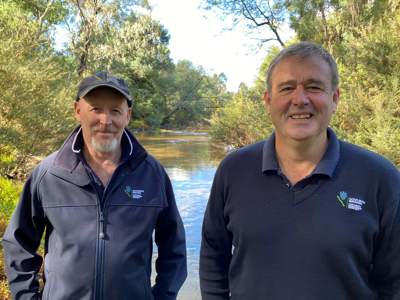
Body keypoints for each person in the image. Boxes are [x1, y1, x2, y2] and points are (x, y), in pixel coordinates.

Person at [199, 42, 400, 300]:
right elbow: (213, 255)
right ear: (268, 101)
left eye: (314, 87)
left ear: (335, 98)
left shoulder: (380, 177)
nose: (300, 99)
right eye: (287, 88)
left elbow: (394, 282)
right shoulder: (233, 169)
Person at [3, 71, 187, 300]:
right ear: (78, 111)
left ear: (128, 115)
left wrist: (162, 297)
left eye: (115, 111)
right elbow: (18, 244)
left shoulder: (152, 174)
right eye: (96, 109)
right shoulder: (49, 174)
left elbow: (174, 249)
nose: (105, 120)